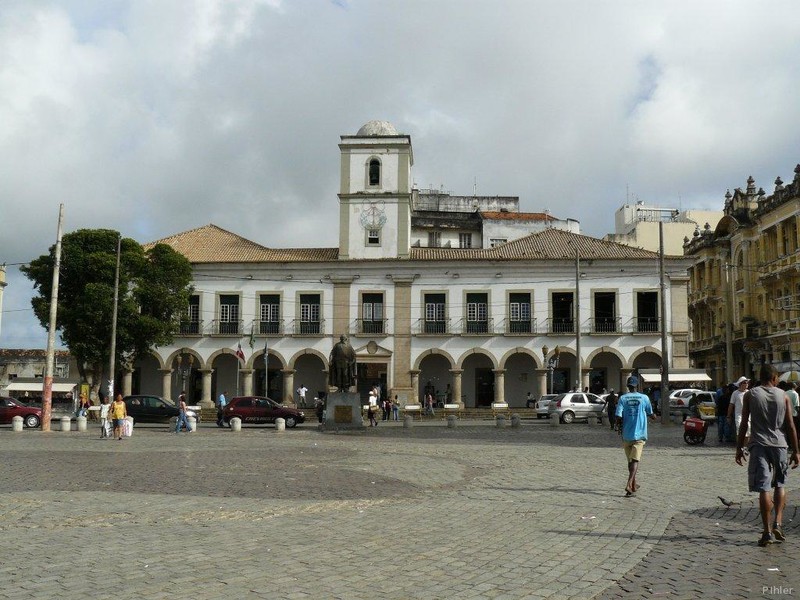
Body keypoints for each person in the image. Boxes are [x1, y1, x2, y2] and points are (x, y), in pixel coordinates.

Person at [735, 365, 799, 546]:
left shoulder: (750, 395)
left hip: (758, 445)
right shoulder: (784, 395)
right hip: (780, 445)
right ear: (774, 377)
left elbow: (744, 424)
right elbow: (791, 426)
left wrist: (739, 448)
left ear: (761, 377)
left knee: (764, 488)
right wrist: (796, 451)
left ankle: (767, 532)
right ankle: (778, 522)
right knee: (780, 484)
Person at [615, 376, 654, 497]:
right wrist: (653, 417)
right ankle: (629, 483)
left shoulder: (623, 398)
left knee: (630, 461)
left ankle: (634, 485)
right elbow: (650, 413)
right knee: (635, 460)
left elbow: (618, 415)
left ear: (628, 386)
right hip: (639, 434)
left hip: (626, 435)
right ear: (637, 386)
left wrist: (619, 426)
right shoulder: (644, 398)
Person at [728, 376, 750, 444]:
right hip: (739, 415)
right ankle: (739, 446)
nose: (746, 384)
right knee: (739, 431)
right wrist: (728, 416)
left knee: (748, 431)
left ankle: (745, 447)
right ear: (740, 384)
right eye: (744, 383)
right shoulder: (735, 393)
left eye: (747, 382)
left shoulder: (749, 392)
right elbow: (731, 405)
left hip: (748, 416)